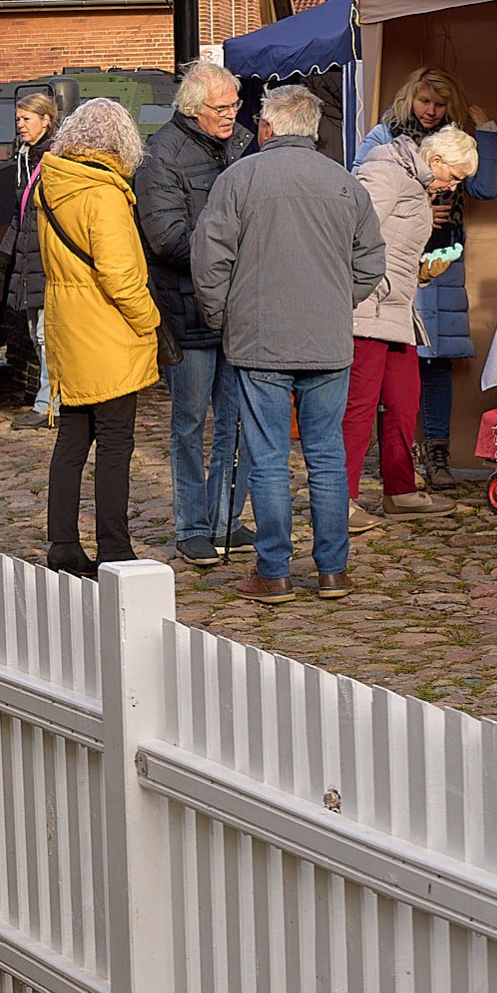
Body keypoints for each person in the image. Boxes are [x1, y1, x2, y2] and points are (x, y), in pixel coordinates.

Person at [195, 84, 385, 604]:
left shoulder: (240, 179)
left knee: (269, 457)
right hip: (324, 340)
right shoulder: (343, 183)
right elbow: (372, 260)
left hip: (260, 340)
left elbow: (210, 261)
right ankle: (332, 571)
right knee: (326, 457)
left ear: (269, 127)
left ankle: (274, 571)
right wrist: (332, 300)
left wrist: (222, 317)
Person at [355, 68, 497, 491]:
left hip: (442, 258)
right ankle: (393, 461)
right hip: (393, 260)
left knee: (436, 358)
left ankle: (437, 454)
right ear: (410, 98)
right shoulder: (385, 139)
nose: (431, 111)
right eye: (425, 102)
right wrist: (419, 204)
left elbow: (486, 189)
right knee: (390, 358)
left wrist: (487, 131)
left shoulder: (458, 144)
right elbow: (361, 191)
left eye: (439, 104)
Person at [35, 98, 162, 577]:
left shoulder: (54, 183)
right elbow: (120, 276)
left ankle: (63, 542)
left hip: (69, 325)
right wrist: (149, 319)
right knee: (114, 442)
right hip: (107, 331)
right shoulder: (102, 193)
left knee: (72, 440)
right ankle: (114, 545)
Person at [135, 62, 255, 565]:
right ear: (193, 109)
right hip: (187, 310)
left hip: (240, 307)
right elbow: (166, 240)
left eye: (234, 105)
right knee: (189, 424)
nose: (232, 115)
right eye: (221, 108)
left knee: (238, 419)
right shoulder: (161, 156)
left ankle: (225, 517)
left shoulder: (243, 144)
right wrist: (235, 252)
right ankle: (190, 526)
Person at [343, 124, 477, 531]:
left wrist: (417, 272)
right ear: (435, 160)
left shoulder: (416, 184)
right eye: (453, 176)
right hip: (368, 309)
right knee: (359, 407)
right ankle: (339, 500)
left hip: (397, 310)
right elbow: (350, 231)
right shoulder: (386, 171)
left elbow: (392, 244)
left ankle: (399, 490)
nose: (452, 187)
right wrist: (379, 281)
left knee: (404, 400)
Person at [0, 92, 59, 431]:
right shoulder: (25, 158)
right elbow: (22, 214)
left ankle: (49, 405)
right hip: (30, 257)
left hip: (49, 260)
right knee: (35, 332)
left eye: (26, 119)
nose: (20, 126)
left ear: (46, 120)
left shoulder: (56, 159)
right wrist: (4, 252)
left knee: (47, 335)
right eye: (18, 120)